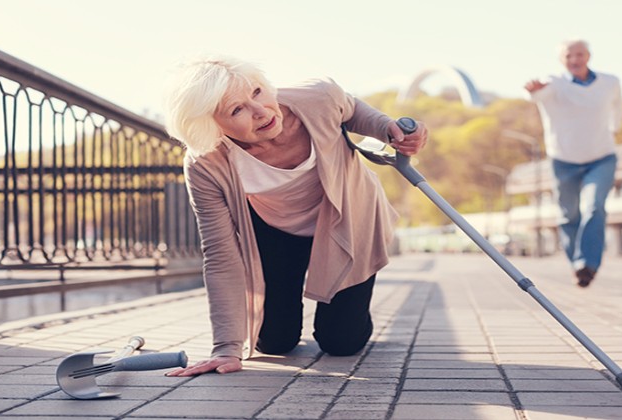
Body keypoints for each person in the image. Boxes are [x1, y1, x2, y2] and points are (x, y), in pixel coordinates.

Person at [161, 57, 428, 376]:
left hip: (345, 221)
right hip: (275, 231)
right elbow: (221, 254)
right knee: (273, 342)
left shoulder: (318, 97)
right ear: (212, 127)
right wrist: (226, 348)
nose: (260, 111)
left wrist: (386, 128)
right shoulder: (205, 163)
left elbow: (352, 109)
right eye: (237, 110)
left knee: (341, 342)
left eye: (258, 92)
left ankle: (349, 312)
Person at [523, 39, 622, 288]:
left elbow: (618, 107)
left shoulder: (610, 82)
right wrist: (531, 90)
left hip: (601, 157)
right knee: (568, 215)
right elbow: (536, 95)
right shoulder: (554, 83)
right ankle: (577, 264)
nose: (575, 60)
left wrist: (615, 128)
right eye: (569, 56)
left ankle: (588, 264)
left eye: (579, 54)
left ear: (588, 55)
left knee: (594, 207)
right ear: (562, 60)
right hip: (563, 159)